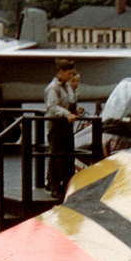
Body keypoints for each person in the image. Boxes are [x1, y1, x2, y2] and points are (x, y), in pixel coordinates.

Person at [45, 60, 81, 196]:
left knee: (67, 155)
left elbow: (70, 102)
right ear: (61, 72)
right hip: (57, 124)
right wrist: (67, 114)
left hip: (66, 124)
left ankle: (65, 183)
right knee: (56, 155)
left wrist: (75, 111)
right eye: (69, 73)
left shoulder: (67, 87)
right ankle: (54, 186)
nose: (71, 76)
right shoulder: (53, 88)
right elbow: (52, 106)